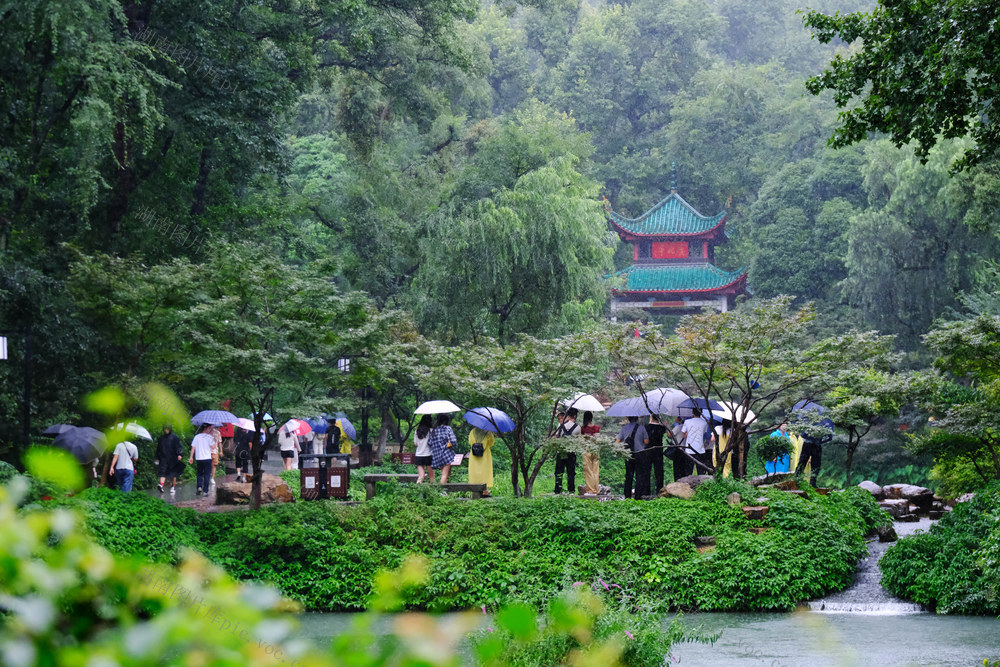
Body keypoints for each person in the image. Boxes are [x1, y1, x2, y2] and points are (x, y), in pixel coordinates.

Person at [616, 416, 649, 499]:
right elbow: (646, 441)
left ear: (628, 419)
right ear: (637, 418)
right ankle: (638, 496)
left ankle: (627, 496)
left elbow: (618, 441)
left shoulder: (624, 428)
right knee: (639, 475)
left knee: (628, 475)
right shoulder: (641, 428)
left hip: (628, 454)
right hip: (639, 454)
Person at [553, 408, 582, 494]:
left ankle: (558, 490)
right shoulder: (578, 427)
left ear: (567, 415)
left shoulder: (560, 425)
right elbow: (578, 442)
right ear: (575, 416)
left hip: (561, 452)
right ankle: (571, 491)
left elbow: (557, 438)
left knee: (559, 472)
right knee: (571, 473)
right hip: (571, 453)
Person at [796, 423, 832, 487]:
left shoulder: (823, 422)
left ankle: (812, 482)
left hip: (815, 444)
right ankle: (797, 479)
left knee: (815, 465)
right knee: (803, 462)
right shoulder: (811, 421)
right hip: (809, 443)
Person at [680, 407, 713, 475]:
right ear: (701, 413)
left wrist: (689, 432)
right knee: (701, 472)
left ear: (692, 412)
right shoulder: (704, 423)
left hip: (689, 450)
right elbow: (703, 433)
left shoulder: (687, 422)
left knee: (688, 472)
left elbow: (683, 435)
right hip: (700, 450)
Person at [428, 414, 457, 484]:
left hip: (437, 455)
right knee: (444, 474)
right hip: (446, 454)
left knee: (443, 473)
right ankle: (440, 489)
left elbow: (430, 442)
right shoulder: (448, 428)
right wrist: (449, 444)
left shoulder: (434, 430)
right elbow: (453, 441)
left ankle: (444, 489)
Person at [154, 425, 184, 493]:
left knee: (173, 473)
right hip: (163, 457)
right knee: (163, 471)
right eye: (165, 429)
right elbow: (158, 449)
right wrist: (157, 457)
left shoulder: (175, 437)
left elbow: (179, 446)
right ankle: (161, 485)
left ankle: (173, 486)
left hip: (173, 458)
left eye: (167, 429)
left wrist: (180, 454)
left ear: (170, 429)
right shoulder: (161, 438)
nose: (166, 430)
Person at [467, 426, 495, 497]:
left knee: (474, 471)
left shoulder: (473, 431)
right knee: (485, 471)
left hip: (474, 454)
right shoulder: (488, 432)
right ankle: (485, 490)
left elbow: (470, 442)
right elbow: (491, 442)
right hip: (485, 454)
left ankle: (475, 489)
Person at [188, 424, 215, 496]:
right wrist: (213, 439)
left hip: (199, 458)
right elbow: (213, 447)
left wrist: (191, 457)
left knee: (199, 473)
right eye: (209, 428)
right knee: (207, 474)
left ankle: (199, 487)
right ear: (207, 428)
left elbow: (193, 448)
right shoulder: (210, 437)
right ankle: (205, 491)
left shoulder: (196, 437)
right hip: (207, 458)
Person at [580, 411, 601, 494]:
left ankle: (590, 490)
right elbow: (598, 439)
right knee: (595, 470)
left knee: (588, 470)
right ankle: (596, 489)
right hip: (596, 450)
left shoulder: (583, 428)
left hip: (587, 450)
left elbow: (582, 440)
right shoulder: (596, 428)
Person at [646, 414, 666, 493]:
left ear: (651, 418)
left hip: (648, 451)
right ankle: (659, 489)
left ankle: (646, 491)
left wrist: (650, 421)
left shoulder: (647, 427)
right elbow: (663, 430)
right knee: (659, 471)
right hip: (658, 451)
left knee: (647, 471)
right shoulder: (661, 428)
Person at [413, 415, 434, 483]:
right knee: (431, 476)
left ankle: (416, 488)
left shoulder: (417, 431)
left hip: (419, 455)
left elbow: (415, 443)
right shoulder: (431, 431)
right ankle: (433, 488)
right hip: (428, 455)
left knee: (421, 475)